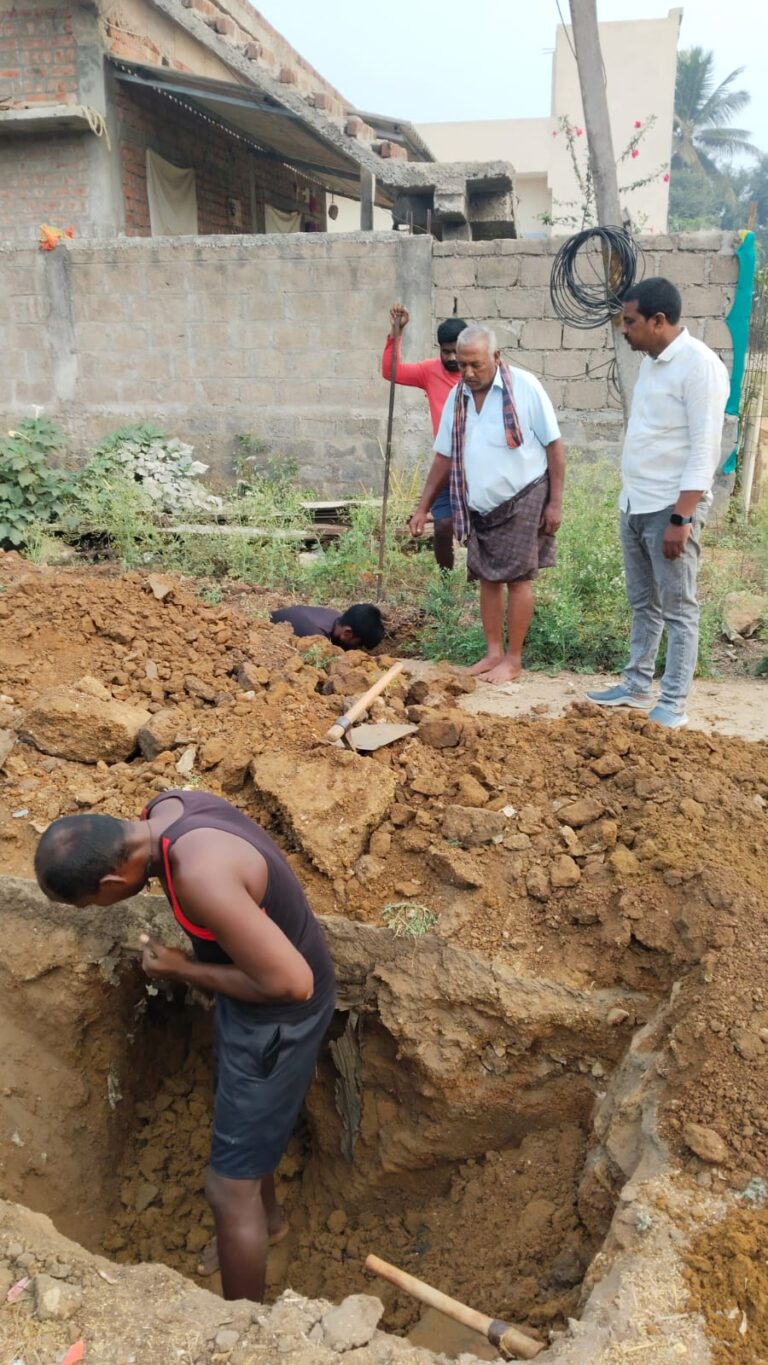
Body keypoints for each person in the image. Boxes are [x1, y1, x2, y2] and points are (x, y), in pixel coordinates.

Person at [34, 791, 337, 1303]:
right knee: (237, 1112)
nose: (98, 910)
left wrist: (184, 969)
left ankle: (244, 1328)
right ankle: (267, 1221)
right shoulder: (167, 808)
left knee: (227, 1189)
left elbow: (293, 984)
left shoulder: (200, 876)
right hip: (253, 996)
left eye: (93, 903)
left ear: (112, 882)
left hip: (280, 1017)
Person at [587, 277, 730, 729]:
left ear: (658, 320)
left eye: (630, 322)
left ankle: (673, 703)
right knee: (643, 603)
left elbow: (705, 450)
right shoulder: (652, 361)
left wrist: (681, 517)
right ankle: (635, 684)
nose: (624, 330)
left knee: (679, 608)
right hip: (636, 504)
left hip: (670, 509)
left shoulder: (699, 366)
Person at [408, 325, 565, 684]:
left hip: (525, 496)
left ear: (496, 358)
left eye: (475, 365)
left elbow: (554, 446)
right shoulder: (458, 397)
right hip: (479, 504)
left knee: (519, 579)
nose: (467, 373)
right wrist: (423, 507)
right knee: (487, 578)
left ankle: (513, 658)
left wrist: (555, 502)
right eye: (462, 365)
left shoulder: (525, 388)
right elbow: (443, 456)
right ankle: (493, 653)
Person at [382, 303, 467, 570]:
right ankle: (445, 580)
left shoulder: (478, 374)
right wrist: (396, 333)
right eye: (446, 352)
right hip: (445, 461)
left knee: (478, 530)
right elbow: (390, 371)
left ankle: (477, 583)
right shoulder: (430, 371)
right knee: (443, 526)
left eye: (457, 351)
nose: (452, 357)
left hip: (478, 464)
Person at [270, 602, 385, 651]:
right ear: (347, 633)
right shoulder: (314, 636)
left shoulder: (336, 617)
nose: (357, 649)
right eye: (358, 644)